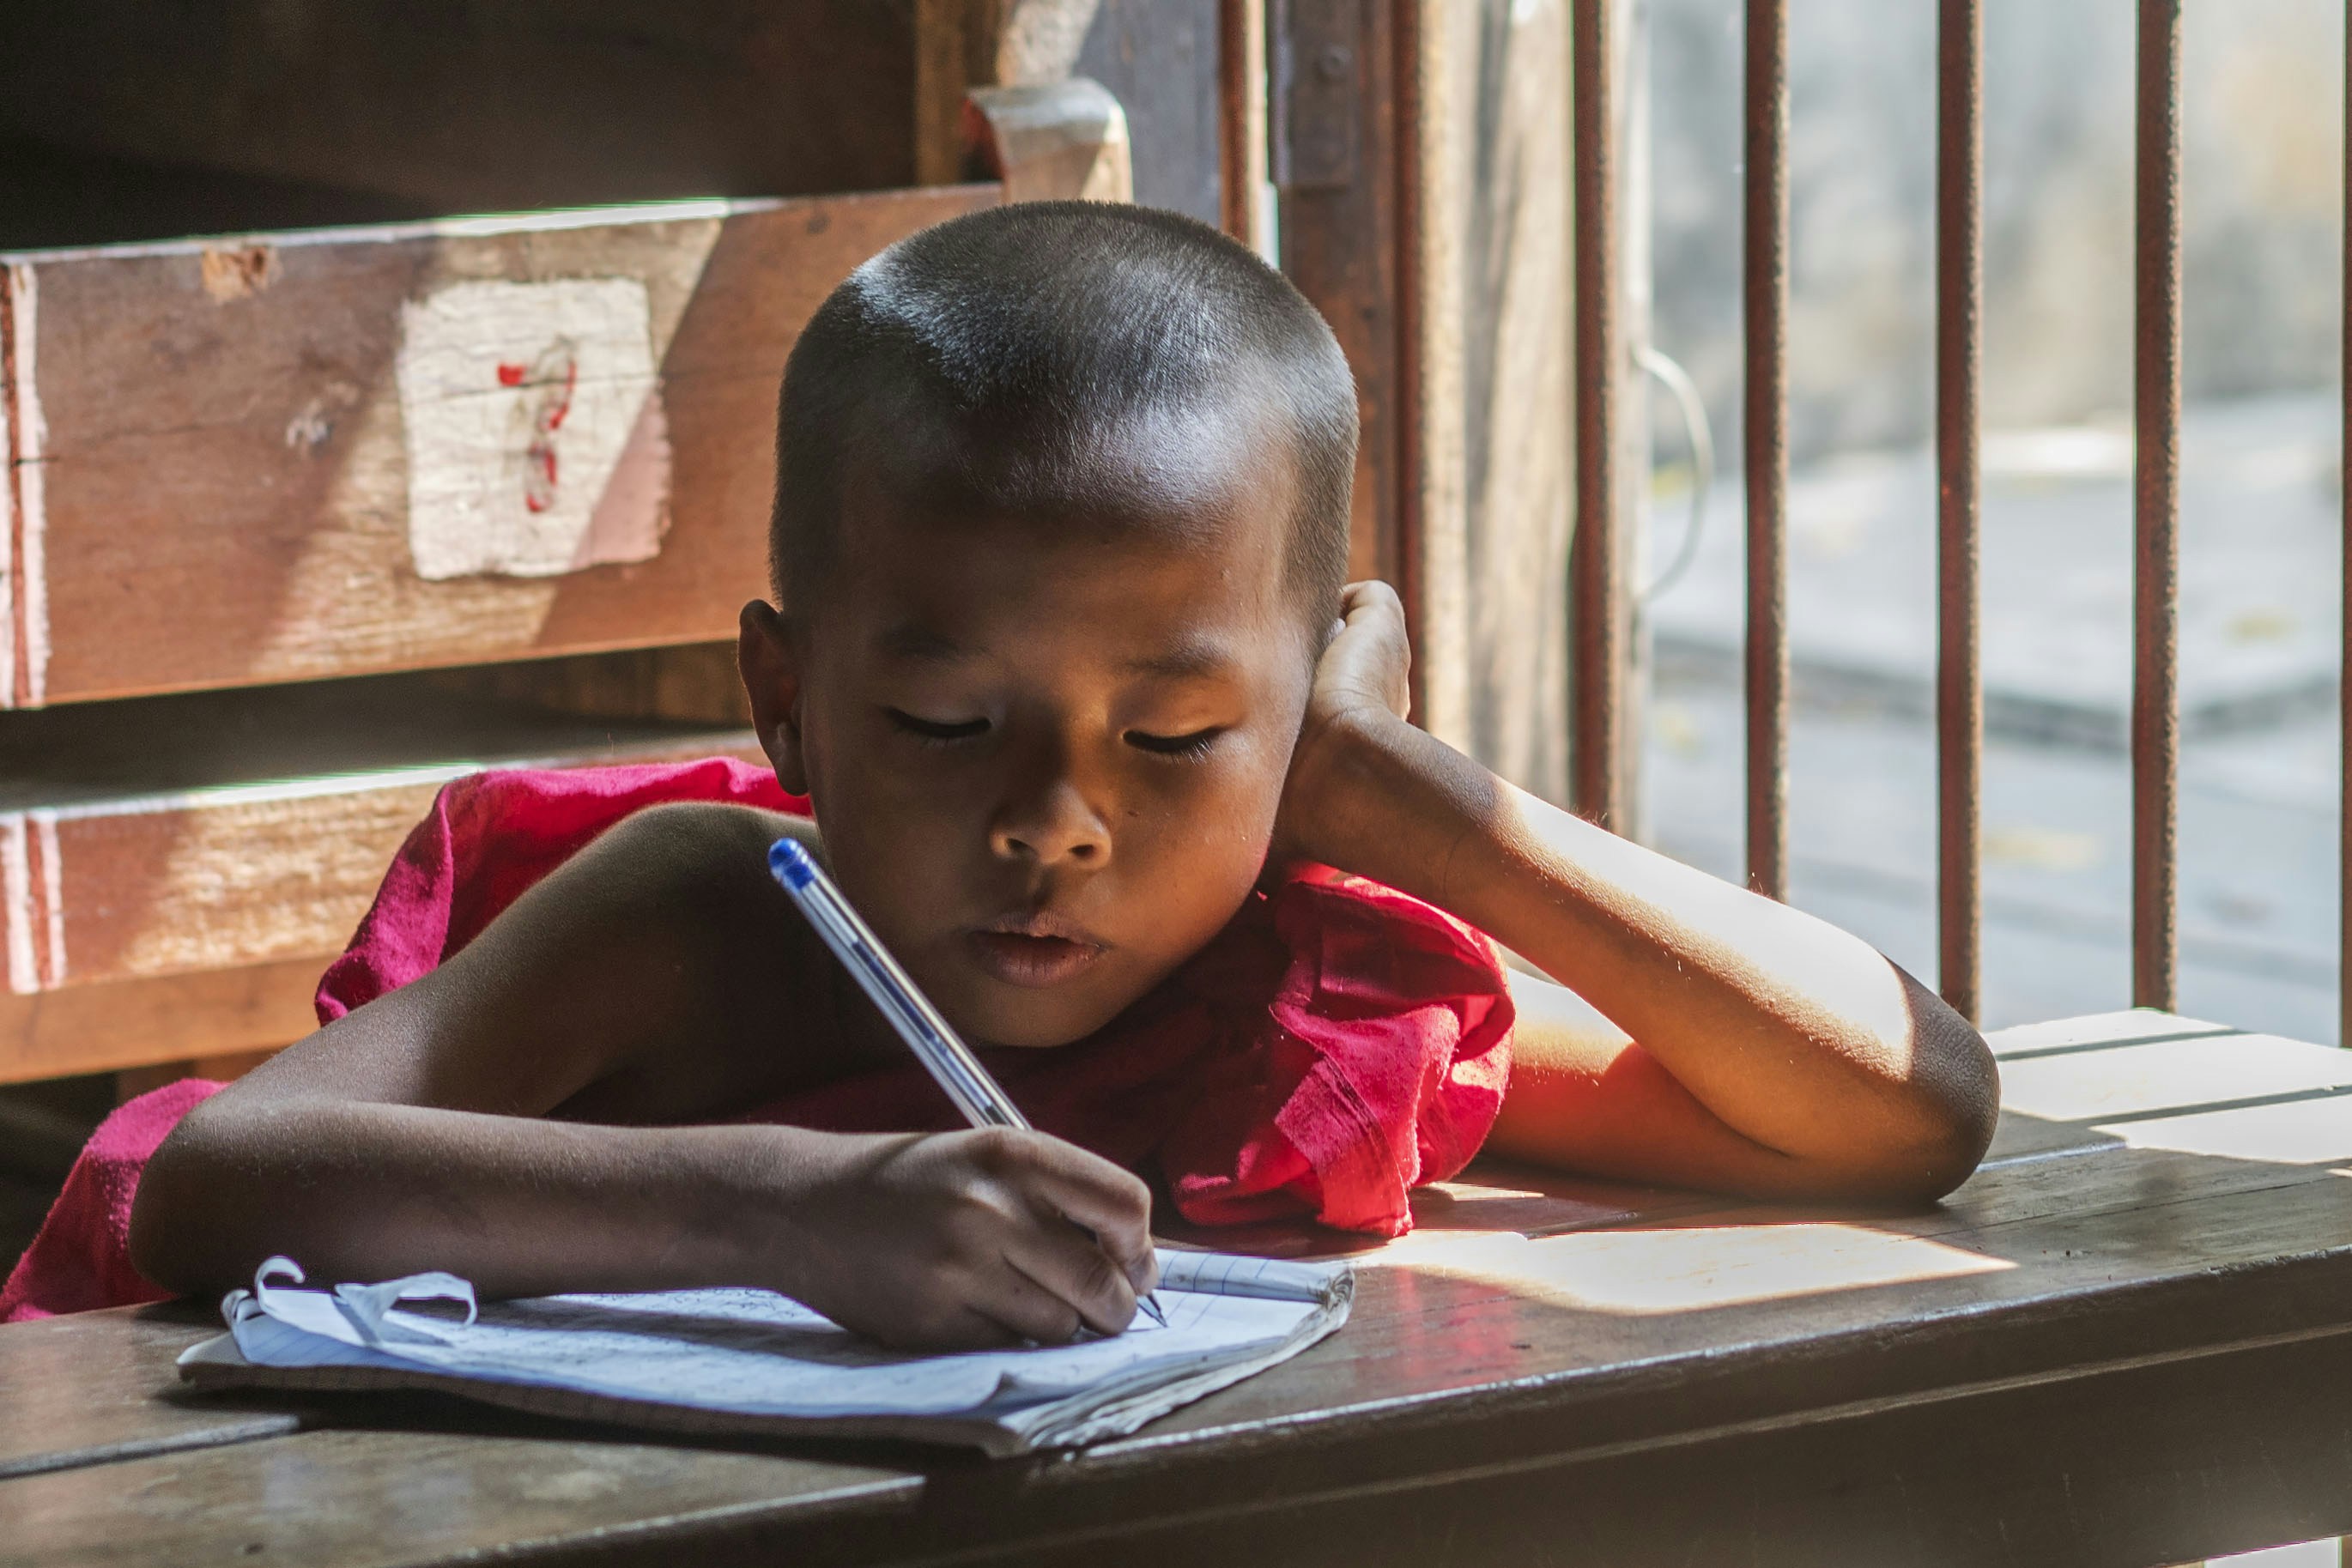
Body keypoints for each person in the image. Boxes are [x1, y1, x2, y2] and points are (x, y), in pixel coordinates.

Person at [19, 203, 1997, 1347]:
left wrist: (1396, 793)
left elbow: (1896, 1110)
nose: (1055, 819)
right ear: (787, 701)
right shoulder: (713, 910)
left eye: (1173, 740)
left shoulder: (1277, 990)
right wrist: (789, 1214)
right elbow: (214, 1182)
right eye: (947, 724)